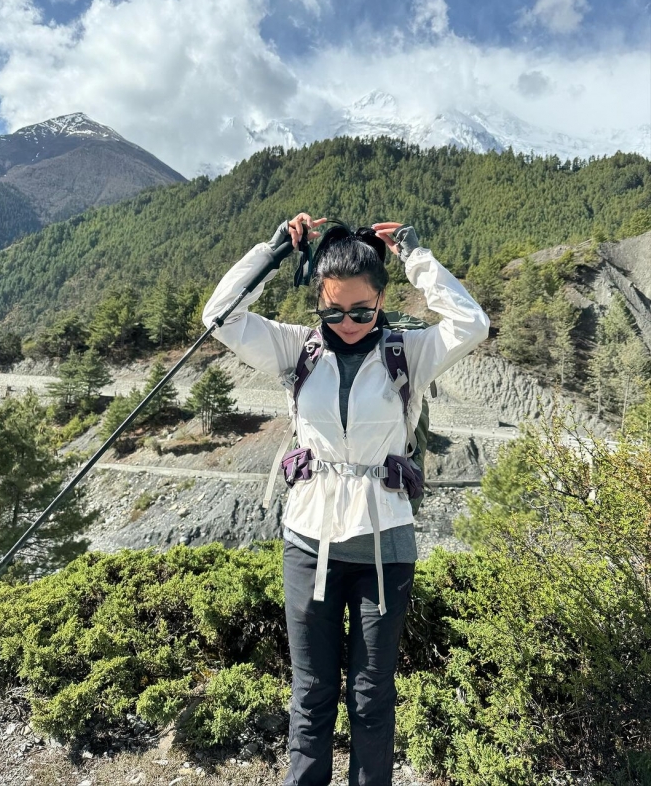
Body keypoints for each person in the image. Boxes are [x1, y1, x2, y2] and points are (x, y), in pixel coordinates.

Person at [202, 212, 490, 786]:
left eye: (363, 310)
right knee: (310, 695)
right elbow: (219, 317)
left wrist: (415, 255)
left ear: (382, 300)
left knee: (371, 699)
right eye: (333, 311)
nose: (349, 322)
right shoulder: (295, 350)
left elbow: (472, 322)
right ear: (318, 304)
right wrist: (275, 249)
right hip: (308, 545)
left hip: (386, 546)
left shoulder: (407, 352)